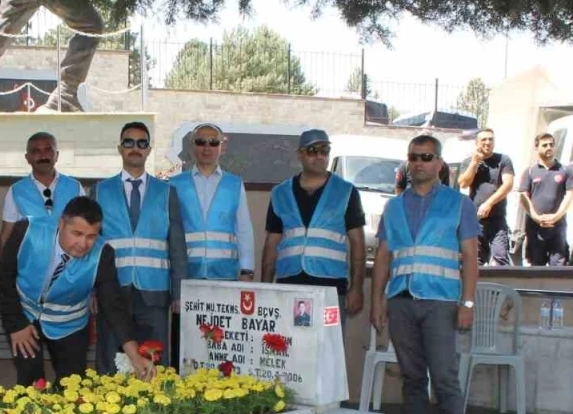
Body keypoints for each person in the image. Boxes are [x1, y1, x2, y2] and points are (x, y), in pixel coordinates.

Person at [371, 134, 480, 414]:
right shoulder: (393, 206)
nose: (418, 163)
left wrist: (468, 304)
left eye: (426, 157)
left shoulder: (458, 204)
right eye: (413, 157)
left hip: (440, 301)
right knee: (412, 376)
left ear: (439, 163)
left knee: (444, 376)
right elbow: (384, 257)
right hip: (401, 299)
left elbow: (470, 256)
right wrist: (378, 301)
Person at [0, 197, 155, 384]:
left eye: (91, 236)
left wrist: (134, 355)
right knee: (30, 383)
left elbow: (113, 304)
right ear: (61, 223)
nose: (83, 243)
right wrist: (16, 325)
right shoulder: (27, 231)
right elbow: (2, 277)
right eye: (77, 233)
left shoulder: (103, 254)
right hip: (24, 315)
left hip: (70, 325)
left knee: (73, 385)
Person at [90, 122, 187, 372]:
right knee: (109, 361)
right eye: (129, 142)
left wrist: (179, 292)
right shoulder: (99, 191)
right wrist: (91, 291)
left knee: (156, 362)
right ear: (120, 148)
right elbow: (90, 246)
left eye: (142, 143)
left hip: (154, 291)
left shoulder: (167, 192)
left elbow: (177, 247)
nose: (135, 148)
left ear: (149, 149)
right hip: (111, 290)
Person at [260, 129, 366, 323]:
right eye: (312, 150)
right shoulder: (280, 193)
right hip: (289, 284)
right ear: (300, 154)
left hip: (331, 287)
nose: (319, 156)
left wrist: (357, 288)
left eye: (324, 150)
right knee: (289, 340)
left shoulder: (346, 191)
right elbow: (271, 243)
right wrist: (265, 287)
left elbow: (358, 243)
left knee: (330, 340)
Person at [170, 123, 255, 281]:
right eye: (200, 142)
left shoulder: (234, 184)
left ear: (222, 147)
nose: (207, 148)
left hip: (225, 273)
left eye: (213, 142)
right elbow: (168, 230)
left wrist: (247, 269)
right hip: (186, 273)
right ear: (192, 145)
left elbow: (243, 229)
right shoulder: (175, 184)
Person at [0, 131, 84, 253]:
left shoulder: (75, 187)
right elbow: (6, 235)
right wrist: (3, 264)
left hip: (68, 262)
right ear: (27, 158)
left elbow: (85, 228)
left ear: (57, 155)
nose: (43, 156)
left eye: (48, 150)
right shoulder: (16, 191)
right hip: (29, 262)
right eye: (36, 151)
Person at [517, 133, 573, 266]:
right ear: (537, 148)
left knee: (558, 266)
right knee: (536, 266)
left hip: (557, 227)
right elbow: (523, 196)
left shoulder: (565, 170)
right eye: (544, 145)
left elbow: (570, 194)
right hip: (535, 227)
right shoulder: (530, 172)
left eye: (551, 145)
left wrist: (556, 216)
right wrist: (535, 216)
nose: (549, 148)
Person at [456, 128, 514, 265]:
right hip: (476, 220)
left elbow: (508, 184)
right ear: (477, 143)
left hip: (497, 219)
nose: (488, 142)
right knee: (475, 261)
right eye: (484, 140)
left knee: (500, 257)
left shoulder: (503, 160)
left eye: (490, 139)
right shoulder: (468, 161)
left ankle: (501, 279)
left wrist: (489, 203)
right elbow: (463, 183)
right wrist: (474, 163)